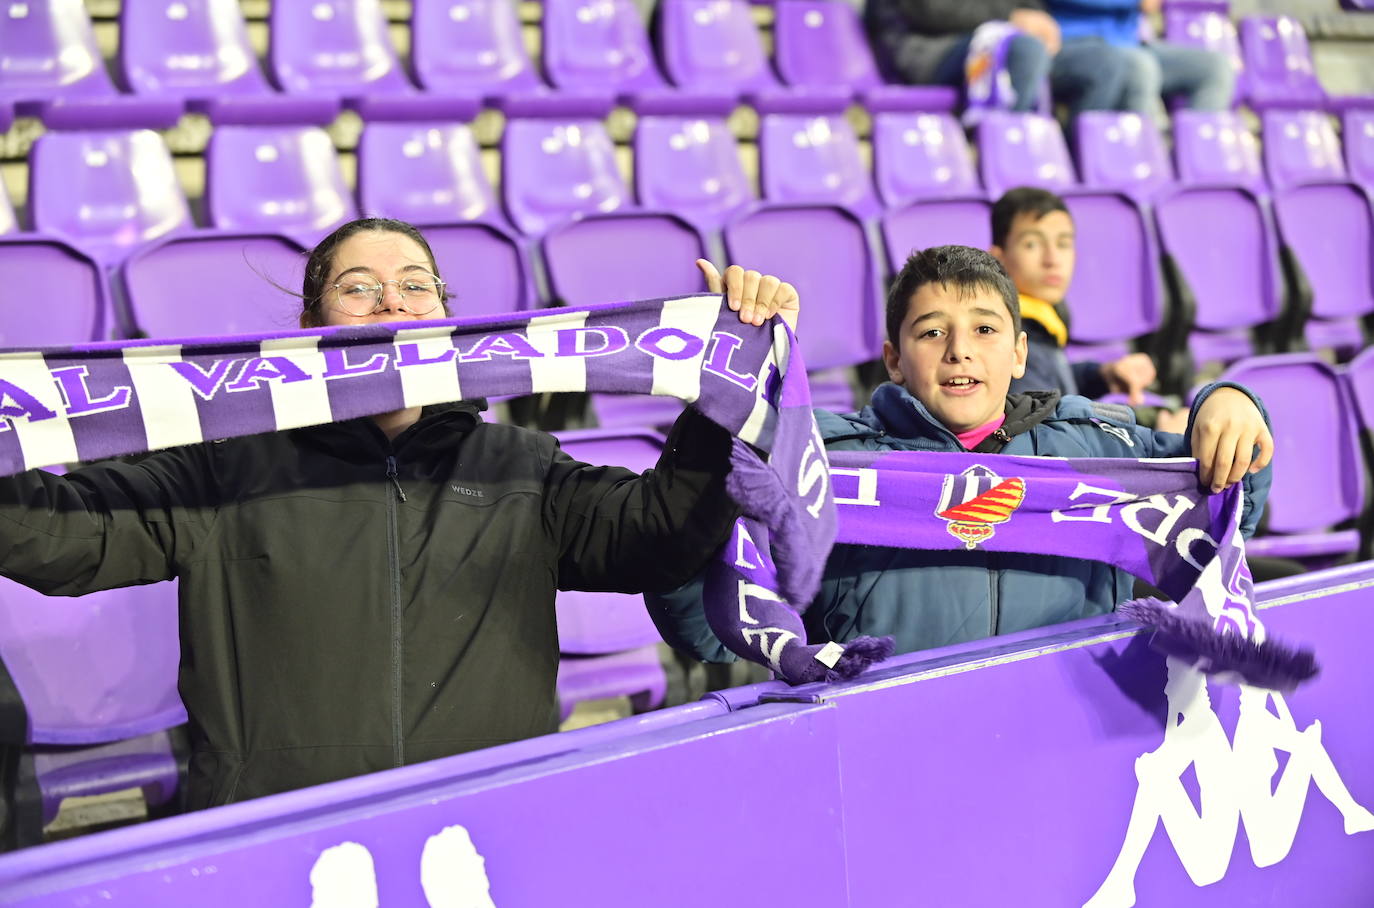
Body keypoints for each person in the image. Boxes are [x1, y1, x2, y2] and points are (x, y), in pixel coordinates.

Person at [0, 217, 799, 810]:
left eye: (416, 285)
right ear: (313, 327)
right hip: (279, 841)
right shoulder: (225, 464)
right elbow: (66, 536)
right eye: (358, 288)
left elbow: (655, 539)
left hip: (481, 830)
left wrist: (717, 392)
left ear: (446, 314)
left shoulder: (521, 465)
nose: (393, 301)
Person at [648, 244, 1272, 661]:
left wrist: (1232, 404)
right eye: (930, 331)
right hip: (893, 777)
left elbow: (1227, 511)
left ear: (1019, 354)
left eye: (984, 329)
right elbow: (706, 630)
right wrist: (715, 414)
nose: (959, 351)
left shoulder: (1091, 448)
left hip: (1070, 760)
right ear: (892, 357)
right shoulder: (815, 466)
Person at [989, 186, 1183, 429]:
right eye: (1031, 244)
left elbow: (1050, 383)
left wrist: (1102, 375)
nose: (1052, 259)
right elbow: (1046, 427)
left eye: (1063, 244)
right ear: (999, 257)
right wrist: (1152, 427)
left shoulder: (1041, 320)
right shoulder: (1007, 336)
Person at [1044, 0, 1234, 120]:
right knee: (1141, 65)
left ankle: (1197, 162)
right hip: (1074, 45)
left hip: (1130, 43)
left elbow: (1152, 1)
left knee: (1215, 67)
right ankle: (1148, 155)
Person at [863, 0, 1060, 112]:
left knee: (1089, 61)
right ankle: (1005, 163)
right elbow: (925, 5)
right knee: (1022, 50)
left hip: (1004, 34)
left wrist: (1038, 17)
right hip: (930, 47)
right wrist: (1009, 16)